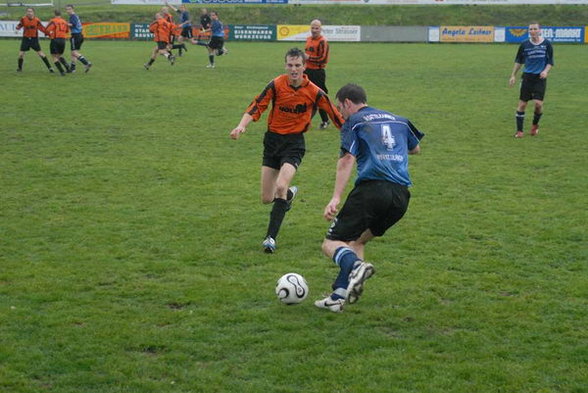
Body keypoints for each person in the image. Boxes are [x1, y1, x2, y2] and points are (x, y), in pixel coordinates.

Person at [314, 83, 424, 313]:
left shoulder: (354, 121)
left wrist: (335, 197)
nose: (340, 113)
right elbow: (415, 149)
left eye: (339, 107)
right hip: (400, 197)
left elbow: (346, 160)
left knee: (331, 243)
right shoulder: (398, 120)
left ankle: (355, 267)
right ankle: (339, 296)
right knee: (357, 241)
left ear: (347, 103)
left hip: (372, 191)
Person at [229, 48, 344, 253]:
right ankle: (288, 196)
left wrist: (355, 133)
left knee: (281, 186)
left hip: (294, 144)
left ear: (304, 66)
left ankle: (270, 238)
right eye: (290, 65)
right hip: (272, 142)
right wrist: (241, 125)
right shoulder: (276, 84)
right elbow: (257, 105)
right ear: (285, 65)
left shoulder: (314, 91)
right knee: (267, 198)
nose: (293, 69)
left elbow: (335, 115)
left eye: (297, 65)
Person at [509, 22, 554, 138]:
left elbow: (550, 62)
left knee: (538, 104)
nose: (532, 31)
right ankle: (519, 131)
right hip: (527, 78)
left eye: (535, 29)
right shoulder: (524, 45)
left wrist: (545, 71)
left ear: (539, 30)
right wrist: (513, 75)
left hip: (540, 78)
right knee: (522, 104)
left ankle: (535, 125)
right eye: (530, 29)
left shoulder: (547, 44)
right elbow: (519, 61)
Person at [304, 19, 331, 130]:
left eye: (317, 28)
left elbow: (323, 59)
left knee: (320, 97)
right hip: (307, 71)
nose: (314, 30)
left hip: (318, 73)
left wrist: (309, 58)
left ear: (321, 29)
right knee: (305, 95)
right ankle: (305, 120)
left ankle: (326, 120)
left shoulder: (323, 41)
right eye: (313, 28)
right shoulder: (308, 39)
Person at [15, 7, 54, 73]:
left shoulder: (37, 20)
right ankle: (19, 68)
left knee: (41, 54)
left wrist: (49, 34)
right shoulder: (23, 19)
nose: (29, 13)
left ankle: (50, 68)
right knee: (21, 54)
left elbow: (42, 28)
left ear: (33, 13)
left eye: (31, 11)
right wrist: (17, 29)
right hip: (26, 39)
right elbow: (20, 25)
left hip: (34, 39)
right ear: (26, 12)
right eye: (28, 11)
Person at [65, 4, 92, 73]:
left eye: (69, 9)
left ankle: (86, 63)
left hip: (75, 36)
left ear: (72, 9)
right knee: (73, 52)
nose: (67, 11)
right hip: (79, 35)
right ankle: (73, 68)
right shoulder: (75, 16)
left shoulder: (73, 16)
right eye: (67, 9)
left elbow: (72, 24)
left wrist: (64, 23)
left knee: (74, 52)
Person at [45, 9, 70, 76]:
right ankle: (67, 67)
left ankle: (62, 71)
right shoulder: (64, 21)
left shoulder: (53, 21)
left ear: (54, 14)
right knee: (59, 55)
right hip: (63, 40)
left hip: (55, 40)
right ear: (60, 14)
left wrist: (48, 34)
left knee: (54, 56)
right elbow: (67, 31)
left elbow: (47, 29)